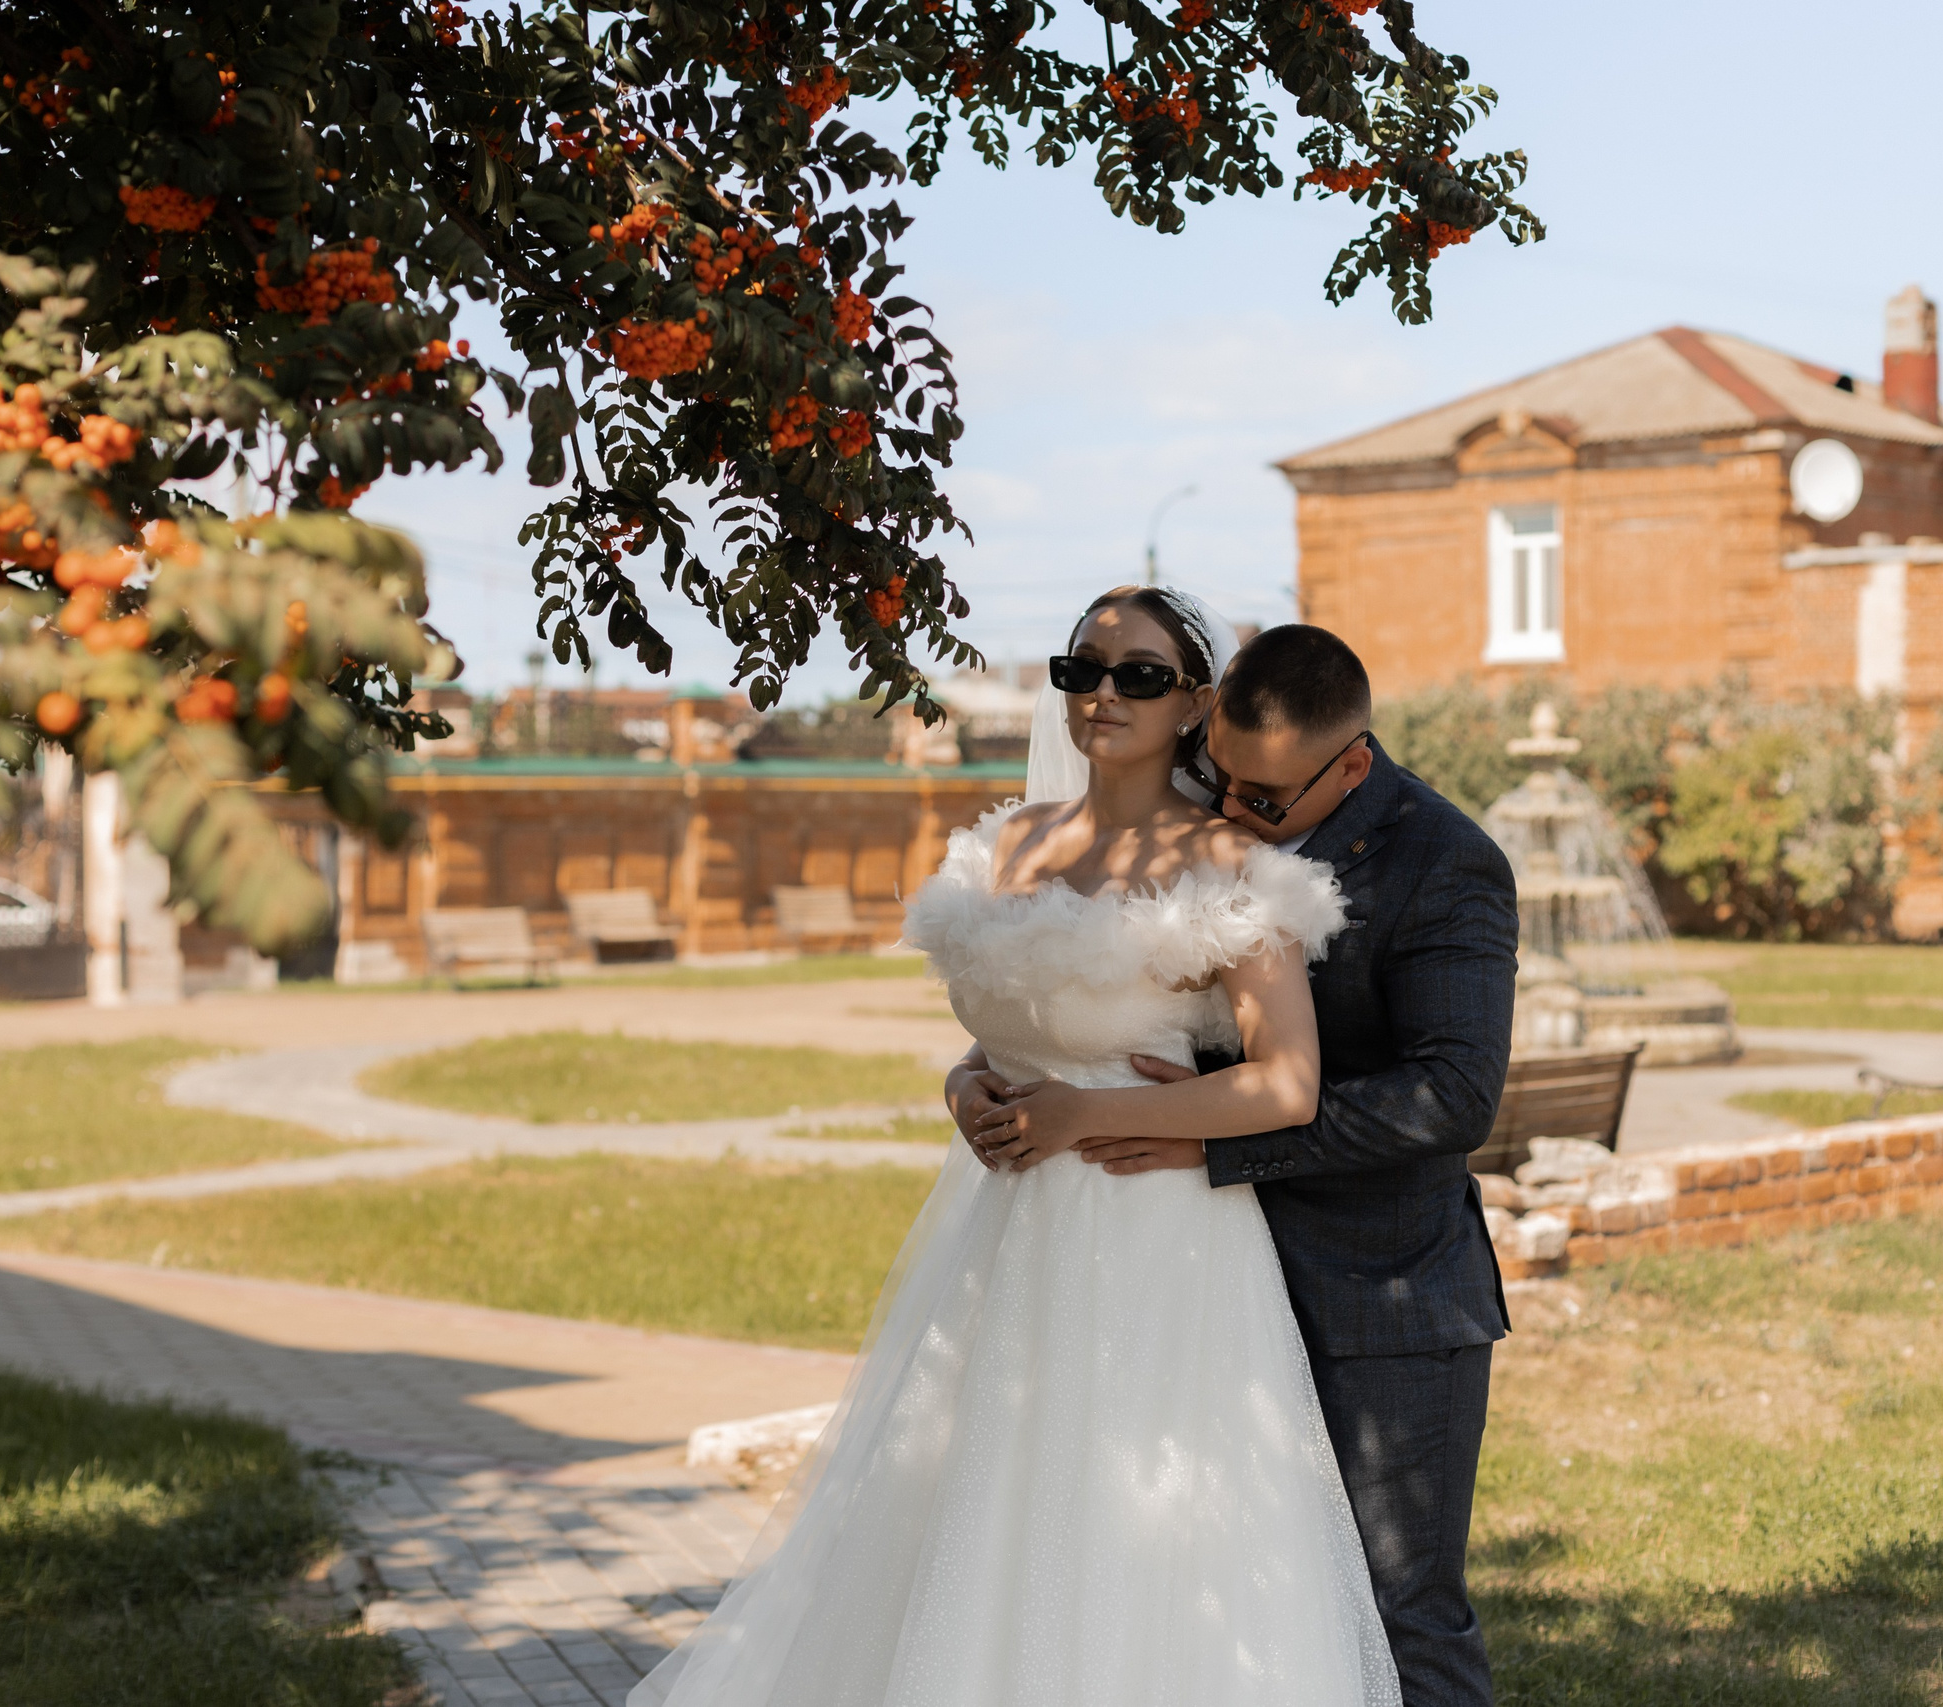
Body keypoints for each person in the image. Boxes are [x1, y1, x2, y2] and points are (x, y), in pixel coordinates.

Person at [627, 587, 1401, 1707]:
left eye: (1138, 675)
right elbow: (993, 1036)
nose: (1100, 694)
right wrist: (962, 1084)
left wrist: (1090, 1115)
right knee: (971, 1499)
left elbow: (1286, 1085)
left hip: (1154, 1246)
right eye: (1080, 669)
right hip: (1000, 1240)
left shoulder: (1227, 862)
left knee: (1134, 1518)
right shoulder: (1010, 843)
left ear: (1193, 702)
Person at [952, 623, 1520, 1707]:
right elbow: (1117, 998)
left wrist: (1212, 1136)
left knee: (1399, 1608)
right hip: (1190, 1282)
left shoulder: (1445, 864)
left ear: (1350, 763)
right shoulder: (1210, 813)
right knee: (1216, 1592)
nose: (1230, 811)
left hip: (1377, 1293)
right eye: (1221, 778)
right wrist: (977, 1075)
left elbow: (1452, 1098)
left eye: (1264, 801)